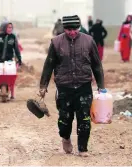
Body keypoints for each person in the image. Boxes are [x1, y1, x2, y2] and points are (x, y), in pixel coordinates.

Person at [39, 15, 105, 157]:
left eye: (75, 29)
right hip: (64, 87)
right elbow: (48, 65)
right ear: (64, 28)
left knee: (84, 119)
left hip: (83, 86)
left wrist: (101, 85)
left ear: (79, 27)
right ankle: (66, 138)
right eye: (69, 29)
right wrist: (43, 86)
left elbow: (97, 65)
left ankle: (83, 148)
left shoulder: (88, 41)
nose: (72, 32)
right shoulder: (56, 42)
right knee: (65, 119)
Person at [0, 22, 22, 99]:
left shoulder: (13, 37)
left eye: (11, 27)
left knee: (10, 77)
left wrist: (19, 59)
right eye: (8, 27)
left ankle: (12, 92)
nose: (10, 29)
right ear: (4, 28)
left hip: (9, 62)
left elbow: (16, 49)